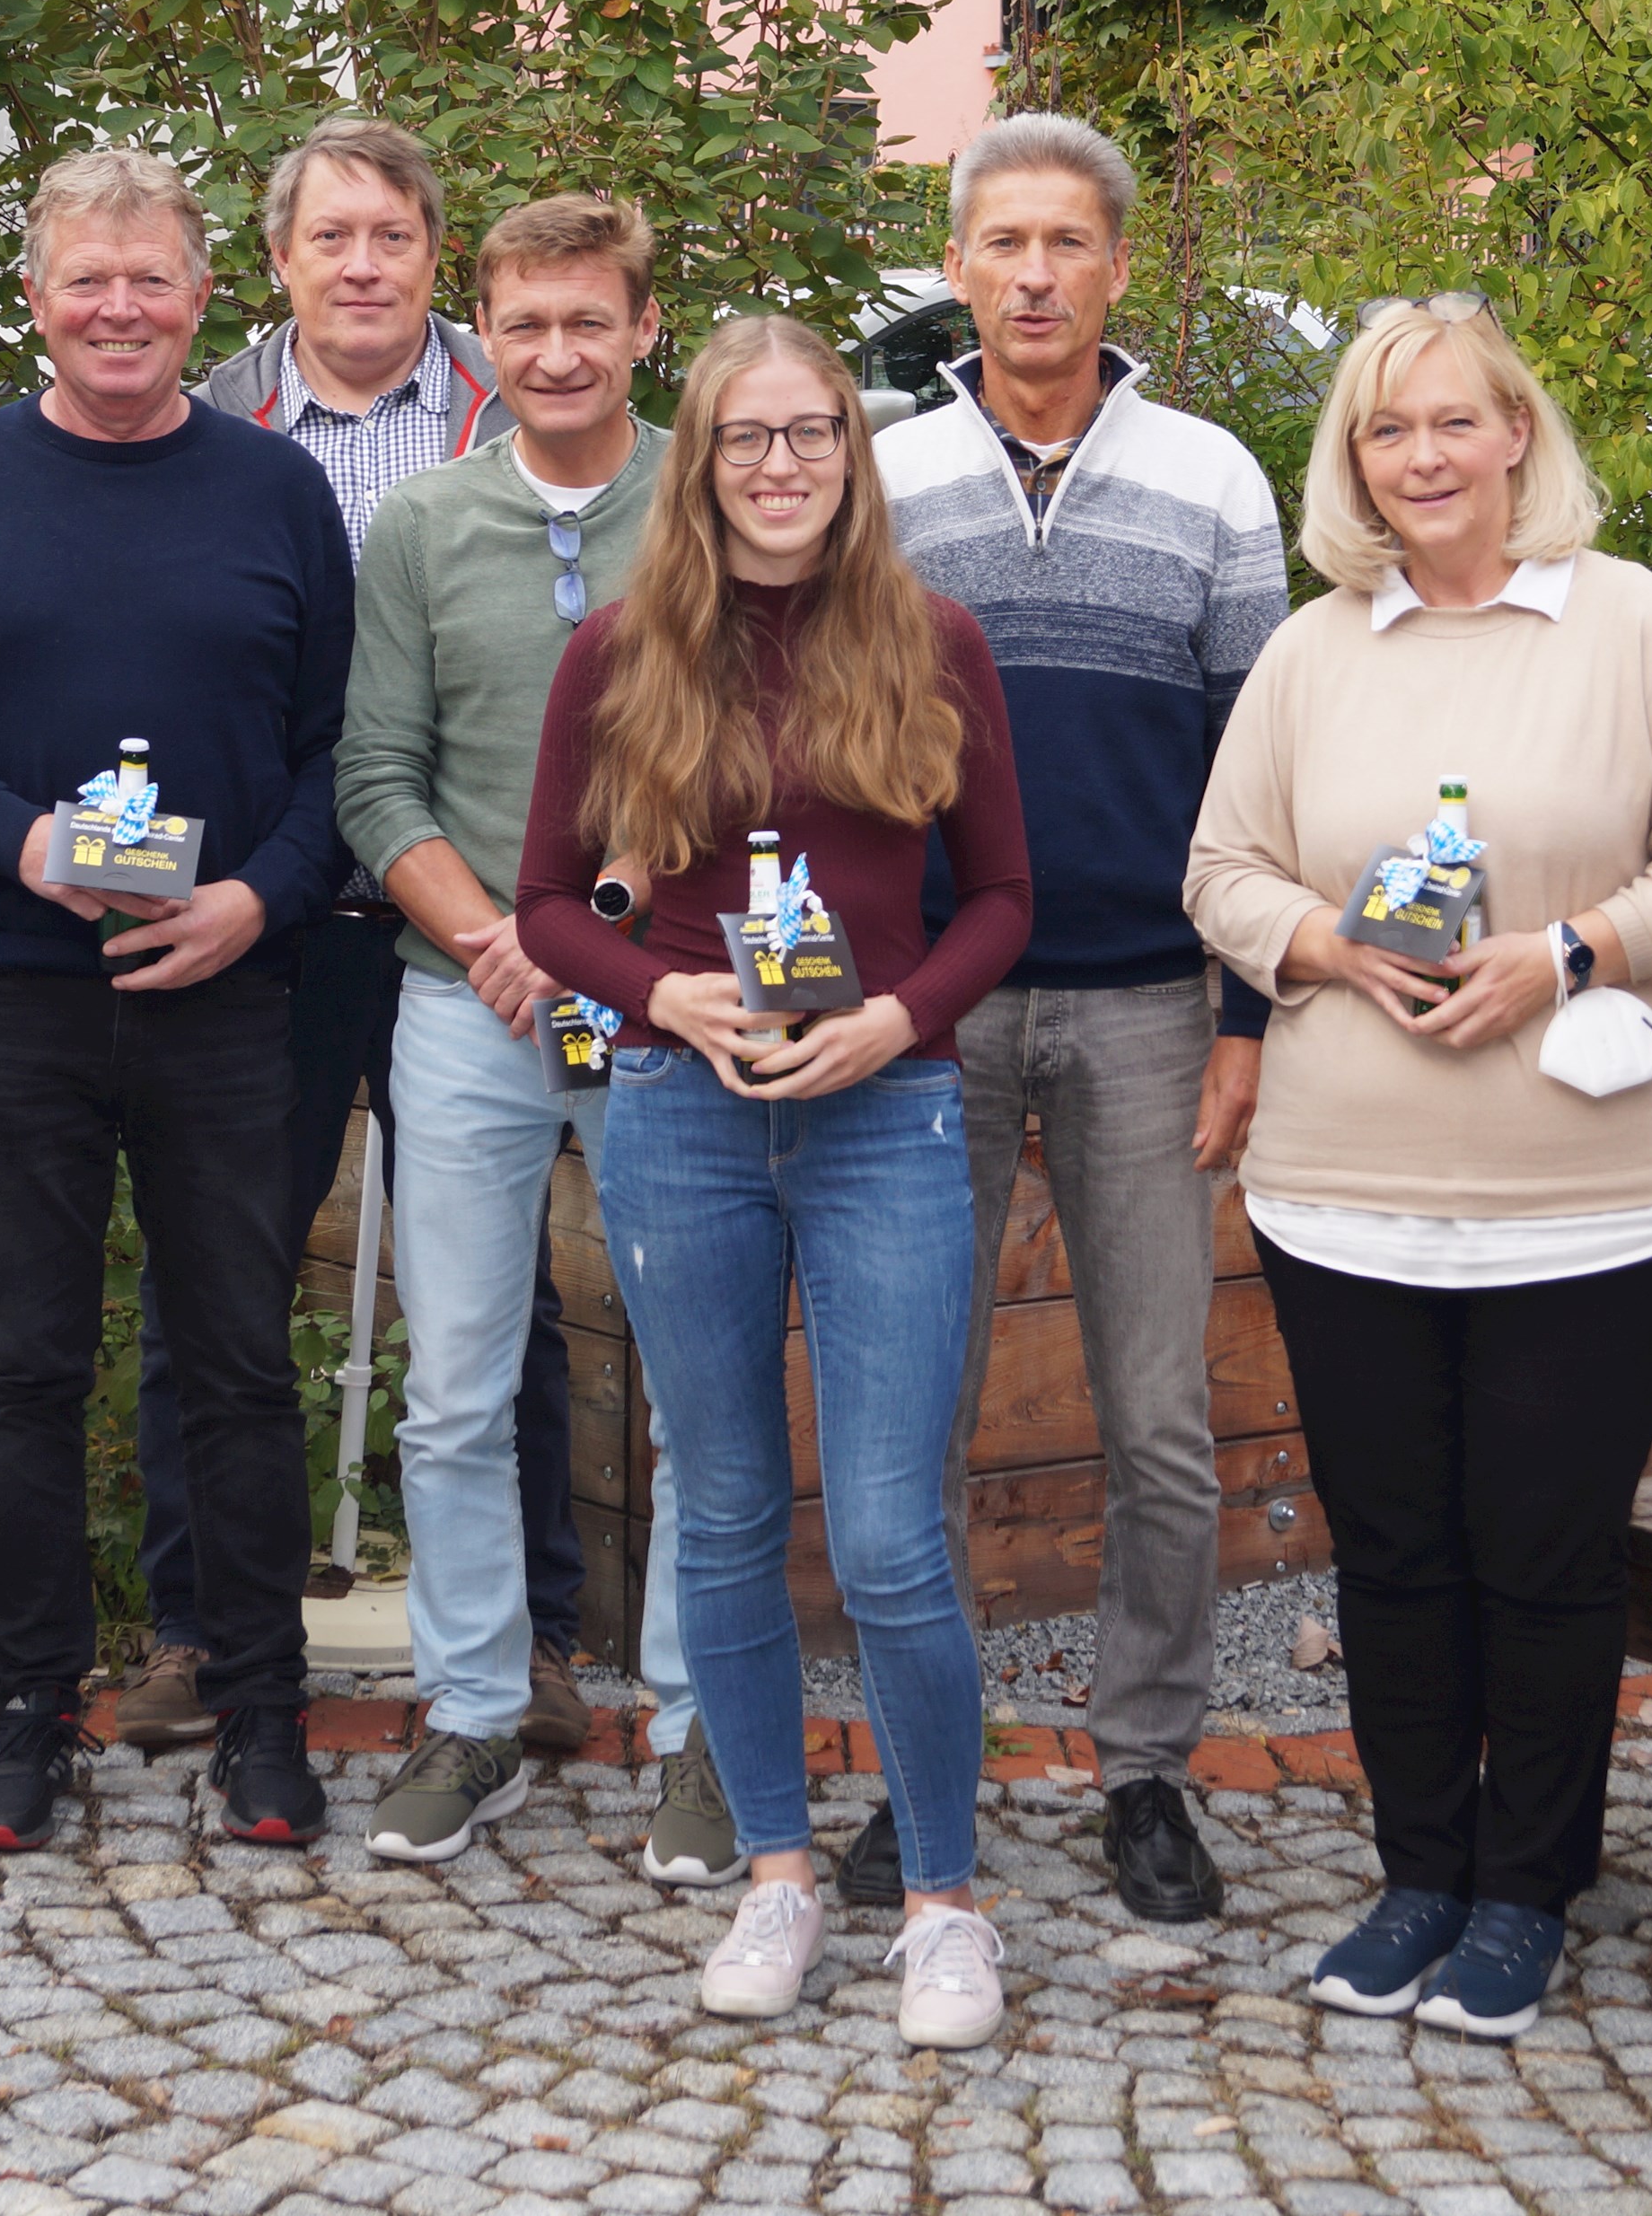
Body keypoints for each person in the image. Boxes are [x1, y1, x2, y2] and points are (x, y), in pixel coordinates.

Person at [1183, 295, 1652, 2037]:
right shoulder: (1316, 651)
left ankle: (1526, 1888)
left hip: (1588, 1195)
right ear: (1349, 459)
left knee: (1542, 1548)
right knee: (1391, 1550)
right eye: (1387, 431)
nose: (1423, 456)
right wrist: (1318, 941)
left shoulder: (1626, 624)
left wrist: (1567, 950)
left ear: (1518, 431)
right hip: (1341, 1191)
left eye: (1454, 421)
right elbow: (1218, 867)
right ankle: (1416, 1869)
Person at [0, 148, 356, 1855]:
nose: (117, 308)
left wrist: (258, 898)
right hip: (14, 985)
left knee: (240, 1364)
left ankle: (262, 1709)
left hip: (226, 991)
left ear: (208, 299)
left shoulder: (275, 492)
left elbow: (351, 748)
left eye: (150, 279)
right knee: (24, 1362)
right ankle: (29, 1705)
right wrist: (14, 838)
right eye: (83, 278)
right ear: (34, 298)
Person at [516, 317, 1033, 2051]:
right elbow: (543, 909)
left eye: (812, 433)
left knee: (891, 1535)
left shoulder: (934, 638)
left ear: (854, 452)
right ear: (701, 460)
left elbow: (1005, 905)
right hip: (680, 1110)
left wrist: (895, 1024)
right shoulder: (620, 652)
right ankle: (776, 1874)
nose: (783, 466)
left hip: (887, 1115)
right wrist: (655, 991)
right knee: (722, 1511)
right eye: (747, 439)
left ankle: (947, 1903)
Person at [111, 116, 597, 1761]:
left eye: (393, 235)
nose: (365, 265)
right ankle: (200, 1627)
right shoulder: (207, 415)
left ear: (434, 256)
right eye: (334, 238)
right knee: (214, 1277)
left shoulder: (516, 402)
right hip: (262, 918)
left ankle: (525, 1638)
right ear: (279, 262)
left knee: (499, 1296)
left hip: (473, 931)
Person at [875, 111, 1287, 1923]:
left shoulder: (1210, 476)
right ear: (956, 266)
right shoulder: (884, 481)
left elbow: (1260, 767)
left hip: (1138, 997)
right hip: (931, 1005)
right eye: (1000, 242)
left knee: (1154, 1416)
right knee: (919, 1405)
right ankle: (925, 1761)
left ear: (1117, 266)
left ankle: (1142, 1768)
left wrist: (1246, 1014)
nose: (1033, 273)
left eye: (1066, 241)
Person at [334, 192, 724, 1875]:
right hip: (462, 1003)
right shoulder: (424, 524)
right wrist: (499, 938)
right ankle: (478, 1708)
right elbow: (375, 777)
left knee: (699, 1384)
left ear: (645, 330)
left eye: (588, 322)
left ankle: (709, 1730)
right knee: (457, 1384)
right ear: (479, 338)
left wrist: (603, 936)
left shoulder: (706, 507)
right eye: (522, 325)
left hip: (663, 1008)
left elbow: (744, 758)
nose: (554, 353)